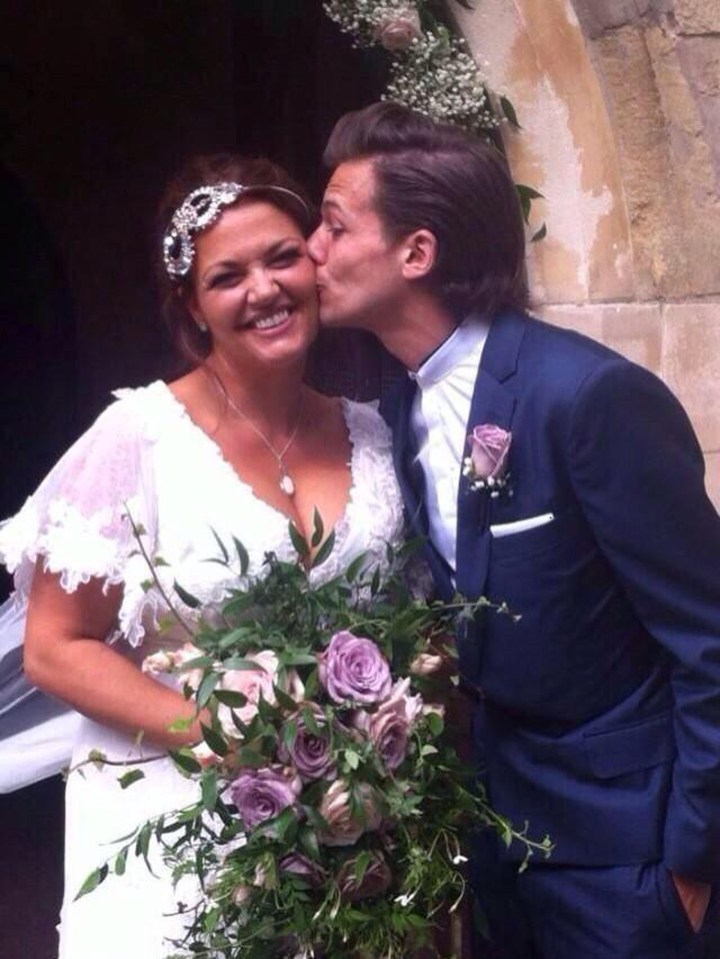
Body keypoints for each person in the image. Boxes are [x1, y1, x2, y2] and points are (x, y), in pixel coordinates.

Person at [307, 101, 720, 959]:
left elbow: (709, 636)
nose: (313, 249)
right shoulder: (397, 410)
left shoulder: (586, 397)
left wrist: (692, 860)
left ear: (416, 252)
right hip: (503, 847)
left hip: (629, 860)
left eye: (334, 227)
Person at [0, 153, 405, 958]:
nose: (264, 289)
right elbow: (53, 647)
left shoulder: (376, 432)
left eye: (283, 257)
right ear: (191, 304)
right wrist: (213, 724)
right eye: (228, 276)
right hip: (171, 825)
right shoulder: (137, 438)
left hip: (339, 834)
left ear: (316, 263)